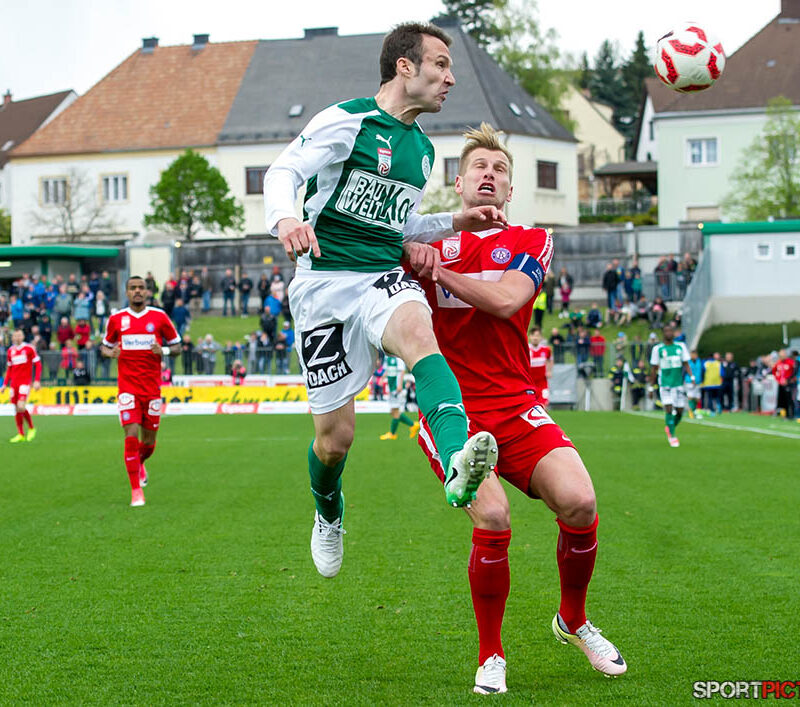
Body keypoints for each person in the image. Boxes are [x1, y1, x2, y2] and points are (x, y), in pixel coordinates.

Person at [263, 22, 504, 578]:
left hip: (380, 277)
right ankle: (328, 510)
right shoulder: (348, 121)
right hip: (323, 286)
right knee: (335, 441)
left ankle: (456, 463)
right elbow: (284, 170)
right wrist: (286, 219)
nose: (450, 78)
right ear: (404, 66)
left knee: (421, 337)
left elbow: (398, 225)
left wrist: (455, 221)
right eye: (440, 65)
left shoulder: (423, 150)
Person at [407, 123, 626, 694]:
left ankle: (573, 621)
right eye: (478, 167)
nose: (489, 175)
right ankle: (490, 656)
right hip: (451, 409)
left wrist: (435, 271)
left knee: (580, 502)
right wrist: (412, 251)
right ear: (458, 185)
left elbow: (507, 301)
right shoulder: (428, 241)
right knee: (494, 516)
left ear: (510, 190)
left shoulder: (531, 240)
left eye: (499, 169)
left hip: (516, 402)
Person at [101, 276, 181, 507]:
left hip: (152, 389)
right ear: (126, 292)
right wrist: (111, 353)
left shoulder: (159, 317)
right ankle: (136, 491)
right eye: (132, 288)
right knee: (131, 434)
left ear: (147, 292)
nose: (137, 291)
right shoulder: (117, 319)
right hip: (127, 388)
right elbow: (104, 347)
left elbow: (177, 346)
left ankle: (140, 462)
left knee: (149, 443)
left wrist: (164, 351)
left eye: (141, 288)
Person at [649, 324, 694, 447]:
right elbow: (654, 368)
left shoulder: (681, 346)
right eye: (666, 331)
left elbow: (686, 363)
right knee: (668, 408)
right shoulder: (657, 349)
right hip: (665, 384)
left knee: (679, 411)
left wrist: (692, 377)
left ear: (673, 333)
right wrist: (651, 387)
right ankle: (672, 436)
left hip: (678, 384)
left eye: (670, 331)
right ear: (663, 333)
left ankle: (670, 427)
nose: (668, 333)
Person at [1, 328, 41, 442]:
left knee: (21, 406)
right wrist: (4, 384)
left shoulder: (29, 348)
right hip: (14, 383)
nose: (17, 338)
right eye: (15, 336)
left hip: (25, 382)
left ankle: (31, 428)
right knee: (16, 408)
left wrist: (37, 380)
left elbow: (38, 364)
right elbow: (9, 369)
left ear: (23, 336)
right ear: (13, 337)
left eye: (19, 335)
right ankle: (21, 434)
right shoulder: (10, 351)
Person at [379, 354, 420, 439]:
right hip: (391, 388)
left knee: (395, 411)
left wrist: (400, 385)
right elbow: (387, 370)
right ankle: (413, 425)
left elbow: (402, 371)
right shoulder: (387, 357)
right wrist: (382, 378)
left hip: (397, 388)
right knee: (393, 411)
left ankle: (393, 434)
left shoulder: (398, 358)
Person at [527, 327, 552, 407]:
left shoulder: (546, 349)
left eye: (537, 335)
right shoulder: (526, 349)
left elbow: (550, 359)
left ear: (541, 337)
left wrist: (549, 371)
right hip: (530, 385)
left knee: (543, 405)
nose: (535, 338)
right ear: (530, 337)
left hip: (542, 384)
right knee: (530, 407)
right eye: (533, 335)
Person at [685, 349, 704, 418]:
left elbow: (702, 371)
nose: (694, 356)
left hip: (698, 382)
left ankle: (696, 411)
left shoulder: (699, 361)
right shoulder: (687, 362)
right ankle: (691, 412)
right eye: (693, 354)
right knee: (690, 396)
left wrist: (702, 379)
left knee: (698, 398)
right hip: (689, 381)